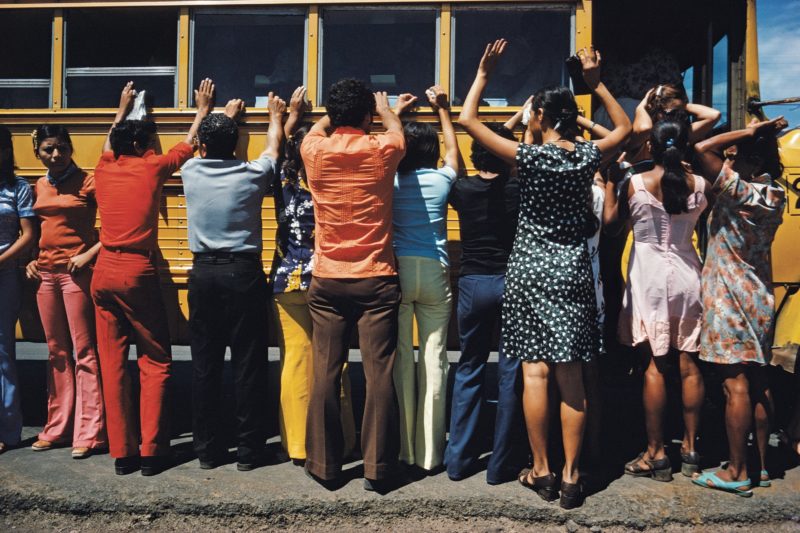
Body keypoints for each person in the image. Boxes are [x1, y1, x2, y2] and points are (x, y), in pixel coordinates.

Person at [458, 41, 631, 509]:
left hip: (531, 269)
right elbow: (627, 127)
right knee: (570, 376)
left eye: (533, 111)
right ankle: (574, 477)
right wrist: (596, 85)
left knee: (535, 373)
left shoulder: (528, 158)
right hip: (572, 267)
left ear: (540, 118)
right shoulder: (587, 156)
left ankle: (542, 470)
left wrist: (482, 74)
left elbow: (469, 122)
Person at [91, 79, 214, 476]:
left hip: (102, 270)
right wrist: (201, 110)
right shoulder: (152, 167)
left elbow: (112, 140)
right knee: (156, 359)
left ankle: (122, 453)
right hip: (135, 272)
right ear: (146, 145)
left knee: (112, 363)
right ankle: (152, 451)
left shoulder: (104, 167)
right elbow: (190, 143)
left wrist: (122, 107)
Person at [300, 78, 409, 492]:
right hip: (376, 277)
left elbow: (316, 129)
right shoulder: (383, 149)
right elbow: (396, 132)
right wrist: (383, 109)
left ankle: (325, 466)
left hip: (328, 277)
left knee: (326, 371)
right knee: (379, 373)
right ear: (367, 116)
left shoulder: (313, 150)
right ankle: (378, 469)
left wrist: (339, 112)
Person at [181, 92, 285, 471]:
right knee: (248, 362)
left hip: (203, 273)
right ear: (238, 143)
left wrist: (208, 112)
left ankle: (208, 451)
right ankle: (248, 451)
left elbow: (193, 142)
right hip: (243, 273)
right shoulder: (253, 173)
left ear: (205, 146)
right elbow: (274, 147)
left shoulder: (191, 171)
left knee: (205, 364)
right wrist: (275, 115)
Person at [605, 119, 708, 482]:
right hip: (687, 274)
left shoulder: (634, 183)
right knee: (689, 363)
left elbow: (611, 223)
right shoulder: (700, 185)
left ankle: (657, 452)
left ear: (651, 146)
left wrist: (607, 183)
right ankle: (692, 449)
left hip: (647, 277)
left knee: (654, 364)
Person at [691, 116, 788, 496]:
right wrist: (752, 139)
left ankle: (736, 471)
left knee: (735, 386)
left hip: (728, 296)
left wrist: (747, 132)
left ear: (752, 162)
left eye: (737, 158)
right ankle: (761, 466)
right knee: (760, 381)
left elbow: (701, 148)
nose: (730, 162)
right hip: (759, 297)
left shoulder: (737, 191)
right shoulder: (775, 195)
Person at [271, 87, 357, 466]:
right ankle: (338, 440)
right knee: (330, 361)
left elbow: (277, 149)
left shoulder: (284, 185)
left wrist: (285, 117)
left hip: (285, 281)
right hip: (324, 280)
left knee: (295, 360)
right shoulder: (331, 183)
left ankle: (296, 444)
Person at [443, 121, 526, 485]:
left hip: (473, 283)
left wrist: (446, 115)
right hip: (510, 281)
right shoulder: (517, 189)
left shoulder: (461, 189)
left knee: (469, 366)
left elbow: (454, 159)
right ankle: (500, 465)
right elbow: (517, 161)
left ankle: (458, 461)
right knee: (510, 372)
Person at [25, 125, 106, 459]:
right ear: (38, 153)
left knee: (85, 351)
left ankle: (89, 433)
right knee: (56, 351)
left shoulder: (88, 182)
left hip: (77, 275)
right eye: (48, 149)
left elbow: (115, 224)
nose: (56, 155)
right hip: (45, 275)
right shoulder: (38, 185)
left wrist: (89, 253)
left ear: (70, 148)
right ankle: (56, 428)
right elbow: (32, 230)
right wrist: (30, 261)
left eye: (61, 147)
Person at [391, 86, 459, 473]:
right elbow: (453, 154)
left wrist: (396, 117)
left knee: (402, 357)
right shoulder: (440, 180)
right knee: (435, 358)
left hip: (398, 268)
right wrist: (443, 112)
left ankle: (405, 449)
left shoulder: (390, 180)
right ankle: (431, 452)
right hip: (434, 269)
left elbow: (384, 148)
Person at [0, 125, 37, 455]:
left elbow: (28, 234)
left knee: (3, 353)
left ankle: (8, 431)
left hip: (5, 275)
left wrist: (2, 260)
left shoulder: (18, 188)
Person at [627, 83, 720, 164]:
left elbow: (714, 115)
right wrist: (641, 107)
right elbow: (645, 128)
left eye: (679, 113)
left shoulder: (680, 134)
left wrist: (683, 105)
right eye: (672, 113)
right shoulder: (644, 136)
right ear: (656, 110)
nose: (676, 118)